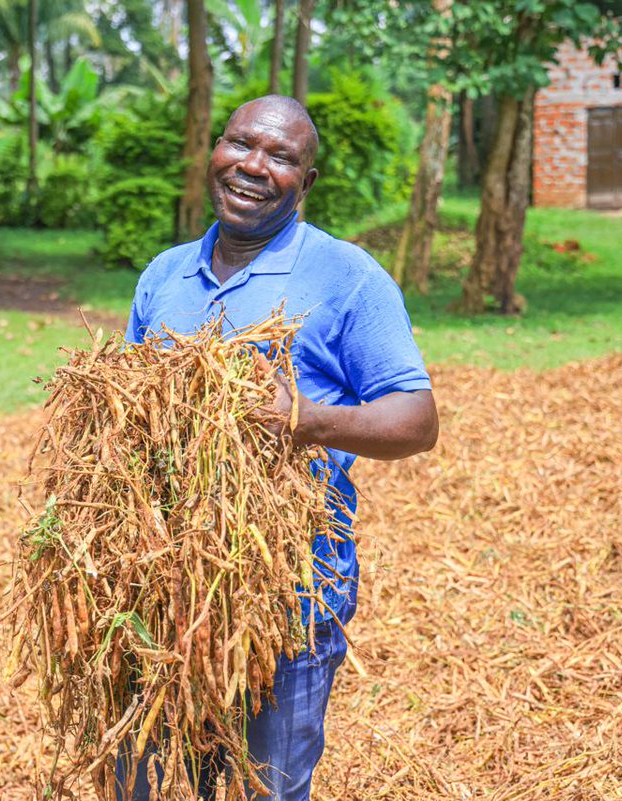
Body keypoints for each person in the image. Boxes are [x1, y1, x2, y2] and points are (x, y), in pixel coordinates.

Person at [120, 95, 439, 800]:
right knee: (146, 783)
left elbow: (417, 420)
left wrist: (305, 420)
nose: (253, 166)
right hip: (159, 596)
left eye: (281, 157)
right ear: (215, 150)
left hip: (286, 598)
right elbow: (126, 416)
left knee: (265, 788)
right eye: (240, 144)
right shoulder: (164, 275)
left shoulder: (347, 277)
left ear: (307, 181)